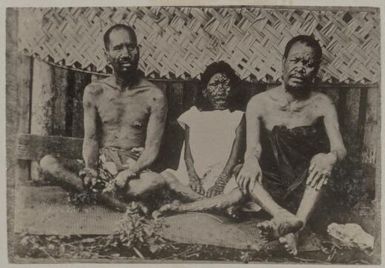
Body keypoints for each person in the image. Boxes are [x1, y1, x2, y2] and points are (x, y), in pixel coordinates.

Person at [235, 35, 347, 255]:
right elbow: (253, 148)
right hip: (274, 183)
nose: (300, 68)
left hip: (307, 184)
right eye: (295, 61)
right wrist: (250, 160)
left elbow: (339, 148)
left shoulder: (322, 103)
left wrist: (328, 157)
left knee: (320, 166)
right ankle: (283, 217)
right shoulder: (259, 103)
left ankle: (296, 228)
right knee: (243, 171)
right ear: (283, 62)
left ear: (315, 71)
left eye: (308, 64)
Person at [40, 24, 168, 210]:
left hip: (133, 170)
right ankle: (113, 201)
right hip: (101, 163)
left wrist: (130, 172)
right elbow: (91, 139)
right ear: (106, 54)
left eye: (130, 47)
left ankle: (98, 195)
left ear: (138, 50)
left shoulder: (155, 96)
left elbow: (151, 149)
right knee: (47, 163)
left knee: (155, 182)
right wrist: (91, 169)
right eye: (117, 48)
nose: (125, 54)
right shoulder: (94, 92)